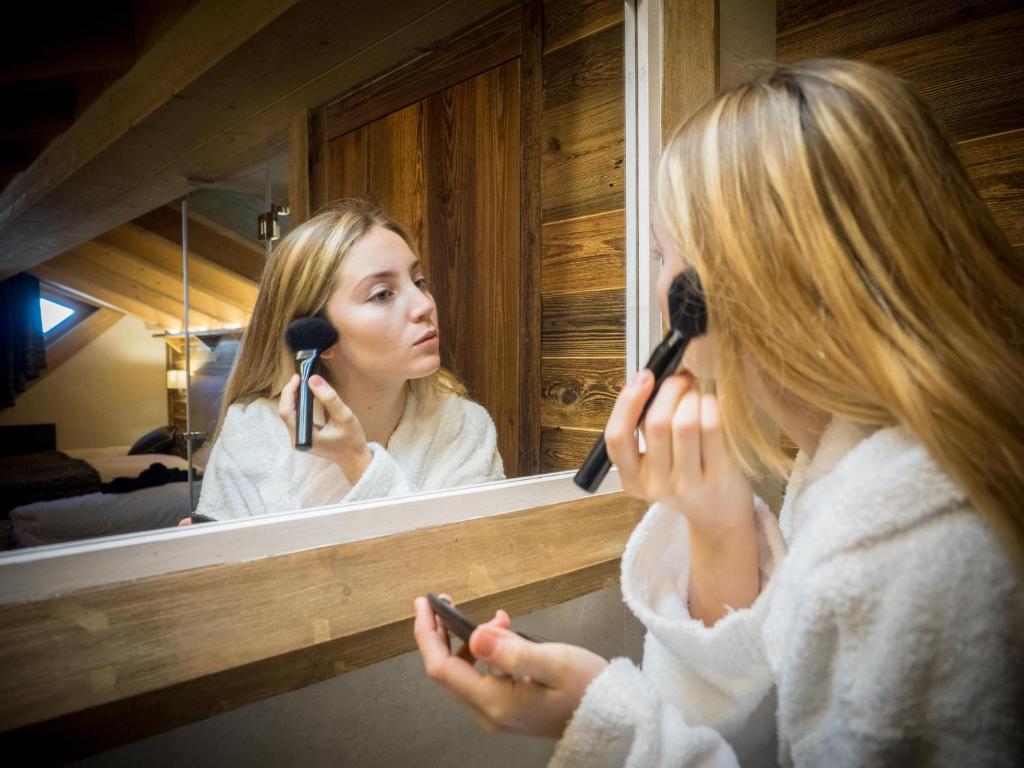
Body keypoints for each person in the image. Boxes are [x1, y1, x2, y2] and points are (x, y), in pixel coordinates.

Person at [413, 59, 1023, 765]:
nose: (657, 280)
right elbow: (783, 711)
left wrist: (609, 726)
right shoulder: (867, 475)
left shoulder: (912, 559)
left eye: (661, 252)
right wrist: (719, 529)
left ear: (726, 287)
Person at [190, 200, 504, 521]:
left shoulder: (462, 427)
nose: (423, 304)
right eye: (382, 294)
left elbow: (475, 562)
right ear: (318, 335)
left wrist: (356, 461)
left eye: (419, 281)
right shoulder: (254, 435)